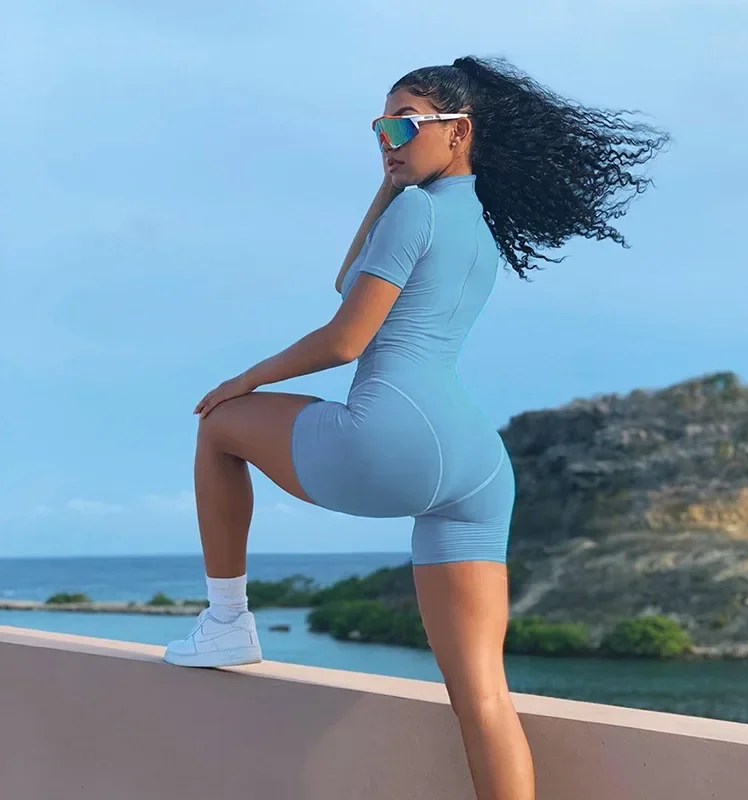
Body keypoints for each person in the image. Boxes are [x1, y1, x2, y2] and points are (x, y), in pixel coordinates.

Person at [163, 55, 667, 800]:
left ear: (459, 132)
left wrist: (248, 378)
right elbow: (349, 277)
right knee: (482, 694)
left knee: (220, 426)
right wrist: (395, 175)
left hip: (389, 435)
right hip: (475, 463)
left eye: (403, 126)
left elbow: (345, 338)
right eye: (379, 128)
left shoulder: (418, 213)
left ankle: (228, 620)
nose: (385, 140)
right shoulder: (474, 223)